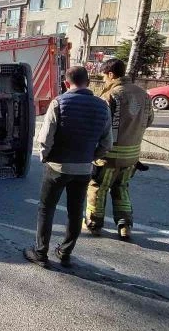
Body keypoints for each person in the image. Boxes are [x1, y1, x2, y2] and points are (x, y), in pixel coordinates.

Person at [24, 66, 112, 268]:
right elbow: (107, 143)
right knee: (75, 211)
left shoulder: (59, 102)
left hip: (58, 166)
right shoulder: (103, 106)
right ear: (88, 82)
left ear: (66, 83)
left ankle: (41, 253)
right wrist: (91, 157)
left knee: (46, 209)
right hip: (84, 169)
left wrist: (45, 157)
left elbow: (45, 138)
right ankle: (65, 252)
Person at [84, 59, 154, 241]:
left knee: (98, 187)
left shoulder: (111, 95)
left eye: (104, 77)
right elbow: (149, 120)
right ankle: (124, 225)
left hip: (109, 156)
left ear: (110, 74)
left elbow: (100, 125)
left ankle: (94, 223)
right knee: (121, 187)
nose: (104, 81)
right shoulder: (144, 94)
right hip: (132, 157)